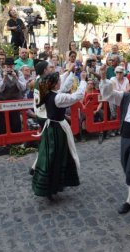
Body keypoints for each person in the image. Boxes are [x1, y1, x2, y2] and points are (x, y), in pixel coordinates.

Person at [99, 69, 130, 214]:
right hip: (125, 137)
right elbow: (109, 94)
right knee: (125, 163)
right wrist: (103, 79)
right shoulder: (126, 97)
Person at [32, 71, 87, 200]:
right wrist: (83, 80)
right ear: (56, 84)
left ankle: (51, 186)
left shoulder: (48, 93)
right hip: (57, 130)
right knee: (56, 158)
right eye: (59, 81)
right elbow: (76, 96)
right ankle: (51, 187)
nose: (60, 82)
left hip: (50, 128)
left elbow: (64, 88)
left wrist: (72, 73)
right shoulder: (57, 98)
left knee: (50, 156)